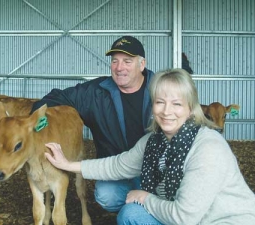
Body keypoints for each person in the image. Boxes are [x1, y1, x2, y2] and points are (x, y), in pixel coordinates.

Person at [44, 68, 255, 225]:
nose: (166, 111)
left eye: (177, 104)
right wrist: (68, 164)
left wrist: (146, 198)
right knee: (130, 214)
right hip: (186, 217)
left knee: (138, 206)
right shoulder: (154, 141)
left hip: (222, 220)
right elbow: (118, 165)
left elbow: (184, 217)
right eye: (160, 102)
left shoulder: (208, 148)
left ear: (192, 109)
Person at [31, 36, 155, 212]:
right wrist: (38, 119)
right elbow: (56, 97)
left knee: (161, 197)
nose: (119, 68)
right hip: (116, 169)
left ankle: (145, 208)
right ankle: (136, 208)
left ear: (142, 64)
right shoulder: (96, 92)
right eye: (115, 61)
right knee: (106, 195)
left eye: (127, 61)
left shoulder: (160, 88)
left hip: (156, 171)